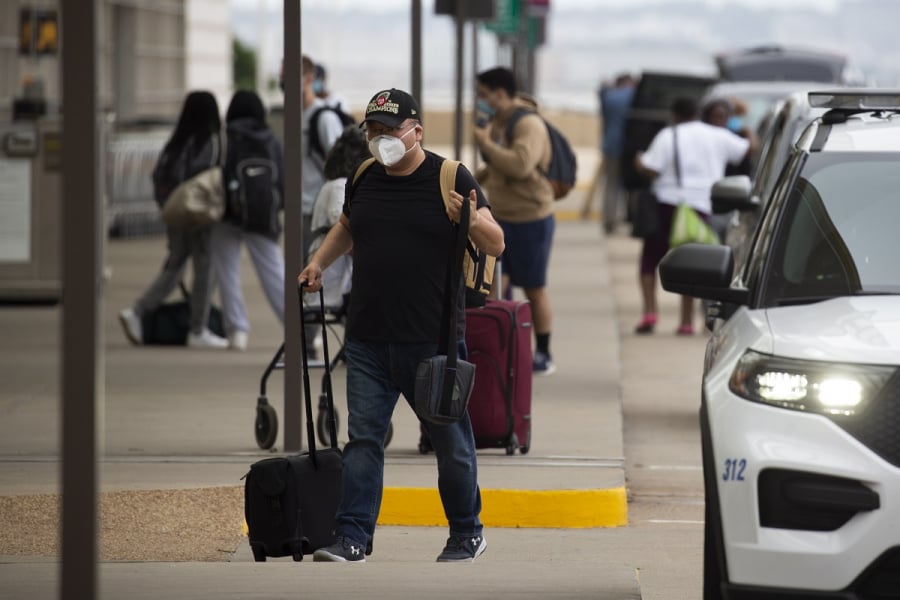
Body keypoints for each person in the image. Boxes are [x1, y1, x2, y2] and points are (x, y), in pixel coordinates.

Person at [298, 88, 504, 563]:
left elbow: (496, 243)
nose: (380, 139)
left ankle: (466, 532)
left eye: (389, 131)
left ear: (416, 132)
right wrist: (319, 264)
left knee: (451, 445)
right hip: (368, 337)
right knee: (363, 441)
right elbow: (348, 226)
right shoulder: (365, 175)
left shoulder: (450, 176)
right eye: (372, 131)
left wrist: (468, 219)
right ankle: (352, 537)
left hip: (432, 342)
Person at [633, 97, 754, 335]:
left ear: (675, 114)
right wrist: (749, 131)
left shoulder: (668, 135)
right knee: (689, 265)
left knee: (650, 260)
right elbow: (748, 149)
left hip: (667, 205)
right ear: (698, 113)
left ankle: (650, 313)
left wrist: (638, 162)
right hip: (701, 207)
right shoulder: (717, 135)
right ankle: (686, 322)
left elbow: (652, 169)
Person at [118, 90, 228, 349]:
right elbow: (206, 180)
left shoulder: (177, 141)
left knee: (175, 265)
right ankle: (197, 328)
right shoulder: (210, 141)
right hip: (199, 215)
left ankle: (138, 311)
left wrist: (168, 205)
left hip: (173, 212)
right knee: (205, 269)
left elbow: (159, 177)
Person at [472, 66, 557, 375]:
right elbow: (495, 168)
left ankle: (544, 353)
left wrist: (485, 143)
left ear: (499, 93)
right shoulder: (499, 122)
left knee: (534, 287)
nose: (481, 101)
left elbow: (520, 165)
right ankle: (504, 348)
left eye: (483, 94)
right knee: (494, 284)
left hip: (531, 217)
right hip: (501, 216)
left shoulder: (528, 123)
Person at [210, 90, 285, 350]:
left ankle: (237, 331)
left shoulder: (225, 137)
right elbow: (282, 180)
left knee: (227, 273)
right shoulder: (271, 139)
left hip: (227, 213)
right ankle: (300, 327)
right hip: (262, 216)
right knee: (274, 273)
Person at [301, 54, 346, 356]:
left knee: (319, 276)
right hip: (303, 209)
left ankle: (306, 344)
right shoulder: (296, 117)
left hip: (321, 209)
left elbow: (342, 161)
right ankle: (304, 343)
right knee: (305, 276)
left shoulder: (323, 117)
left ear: (309, 77)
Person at [308, 124, 371, 309]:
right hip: (334, 267)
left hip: (334, 265)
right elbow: (344, 225)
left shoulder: (333, 183)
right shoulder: (340, 186)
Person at [584, 73, 635, 232]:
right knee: (632, 187)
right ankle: (628, 218)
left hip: (610, 145)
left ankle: (609, 220)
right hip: (630, 147)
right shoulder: (633, 95)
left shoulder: (609, 97)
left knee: (610, 185)